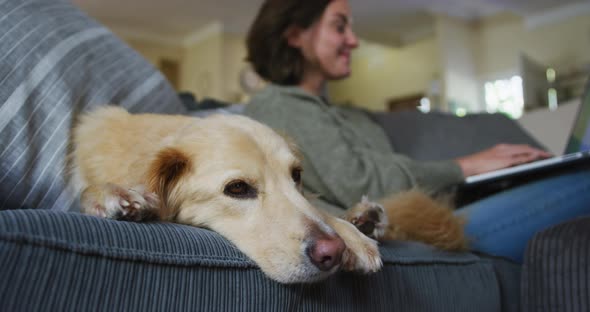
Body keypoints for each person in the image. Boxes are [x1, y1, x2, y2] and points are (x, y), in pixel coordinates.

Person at [243, 0, 590, 263]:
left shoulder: (338, 113)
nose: (353, 40)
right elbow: (363, 185)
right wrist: (466, 166)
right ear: (294, 35)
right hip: (417, 228)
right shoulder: (278, 104)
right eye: (339, 26)